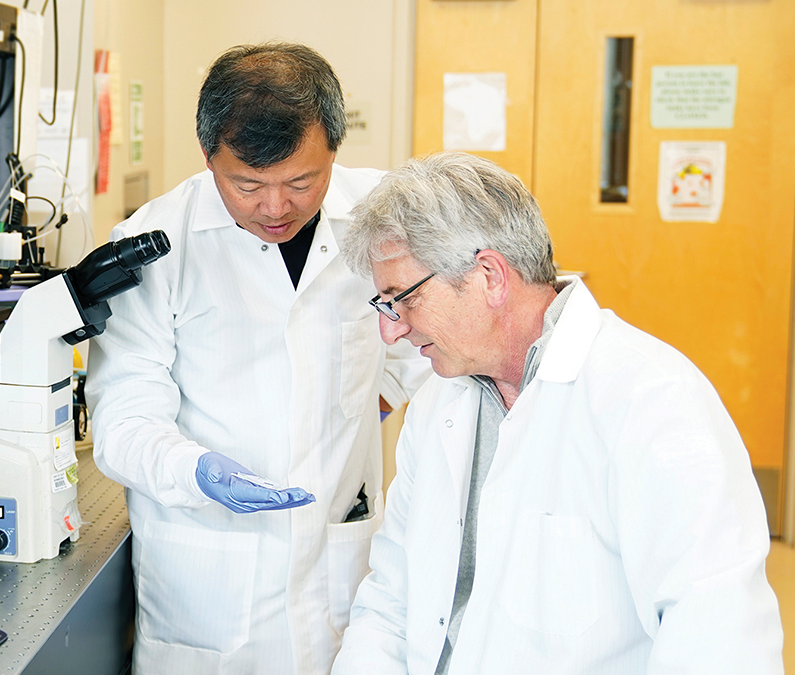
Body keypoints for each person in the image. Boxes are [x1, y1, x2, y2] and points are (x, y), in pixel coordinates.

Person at [331, 151, 783, 674]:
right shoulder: (439, 404)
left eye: (403, 298)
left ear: (489, 276)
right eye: (384, 306)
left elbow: (717, 638)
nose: (393, 330)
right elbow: (391, 597)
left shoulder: (651, 401)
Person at [86, 43, 431, 674]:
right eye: (247, 185)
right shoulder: (153, 245)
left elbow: (427, 345)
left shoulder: (385, 218)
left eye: (303, 182)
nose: (277, 209)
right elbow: (122, 419)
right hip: (206, 567)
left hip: (339, 556)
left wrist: (352, 416)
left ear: (335, 147)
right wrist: (195, 473)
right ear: (208, 156)